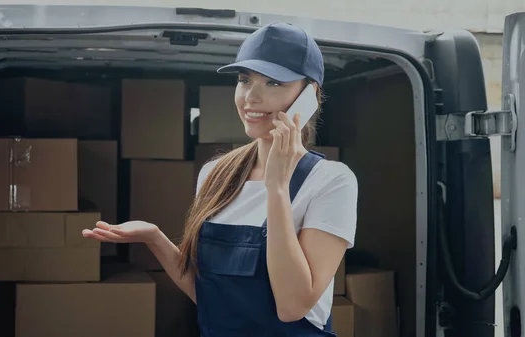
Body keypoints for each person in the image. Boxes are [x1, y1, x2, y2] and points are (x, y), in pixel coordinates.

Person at [83, 22, 358, 337]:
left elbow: (292, 306)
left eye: (273, 82)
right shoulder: (216, 173)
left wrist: (278, 190)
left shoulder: (331, 181)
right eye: (244, 80)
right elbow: (208, 297)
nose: (251, 97)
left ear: (310, 95)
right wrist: (155, 239)